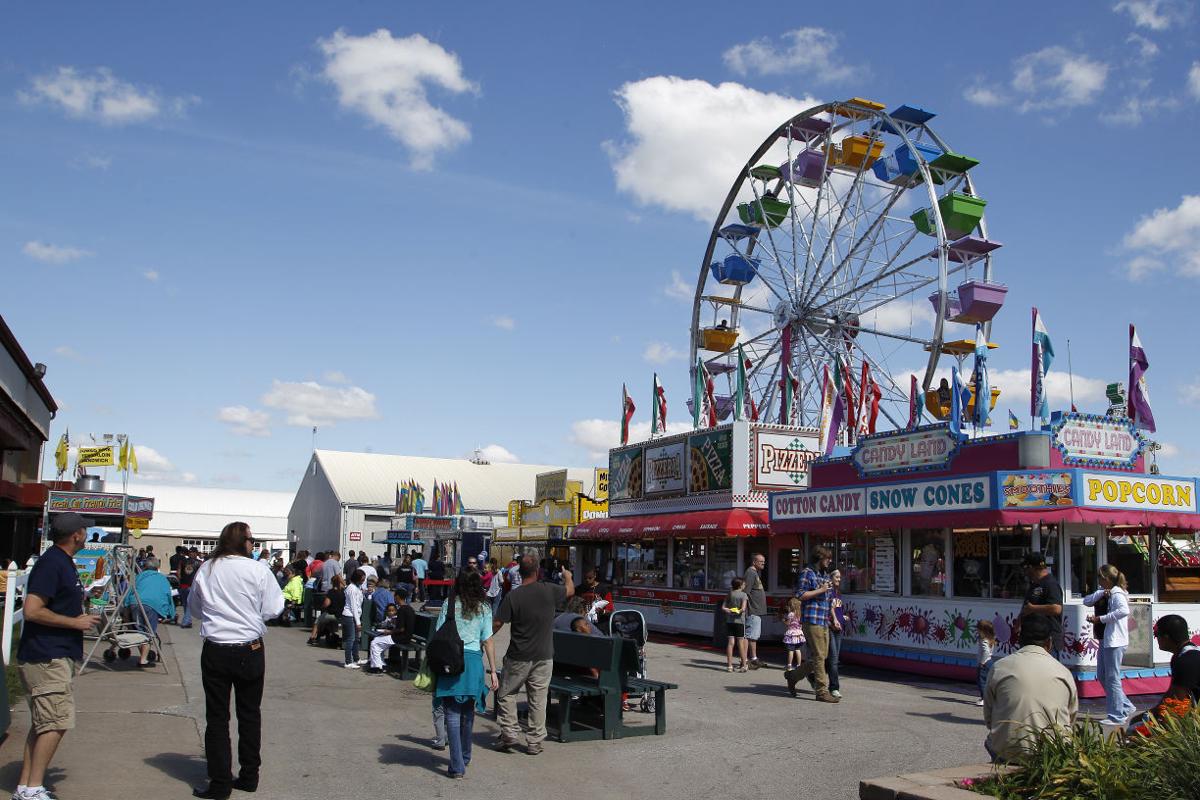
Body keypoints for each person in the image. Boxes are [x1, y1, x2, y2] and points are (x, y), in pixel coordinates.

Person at [188, 521, 285, 799]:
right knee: (249, 714)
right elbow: (274, 608)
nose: (253, 544)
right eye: (251, 540)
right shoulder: (258, 570)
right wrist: (250, 615)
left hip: (217, 648)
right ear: (243, 541)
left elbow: (195, 608)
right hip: (250, 648)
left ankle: (220, 783)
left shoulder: (207, 569)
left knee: (217, 717)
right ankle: (249, 775)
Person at [13, 513, 101, 800]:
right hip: (46, 656)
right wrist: (75, 623)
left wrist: (81, 607)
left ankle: (27, 786)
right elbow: (32, 610)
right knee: (56, 722)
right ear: (76, 534)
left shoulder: (61, 562)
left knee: (44, 723)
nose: (87, 534)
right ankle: (33, 789)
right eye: (84, 530)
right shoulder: (52, 563)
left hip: (53, 654)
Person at [493, 553, 574, 755]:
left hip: (518, 655)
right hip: (544, 655)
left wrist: (483, 638)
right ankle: (535, 741)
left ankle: (510, 731)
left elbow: (497, 623)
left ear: (519, 572)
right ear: (538, 571)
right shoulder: (550, 591)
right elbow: (570, 591)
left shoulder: (514, 596)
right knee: (538, 698)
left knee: (506, 693)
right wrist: (568, 576)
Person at [983, 614, 1077, 763]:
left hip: (1008, 751)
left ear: (1019, 640)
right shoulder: (1063, 672)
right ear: (1049, 643)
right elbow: (1070, 718)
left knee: (992, 740)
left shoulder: (999, 667)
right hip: (1052, 753)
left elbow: (989, 717)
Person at [434, 571, 500, 778]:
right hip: (473, 662)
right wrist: (493, 671)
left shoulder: (449, 603)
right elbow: (488, 640)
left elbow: (438, 632)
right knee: (468, 712)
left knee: (452, 714)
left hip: (452, 659)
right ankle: (465, 755)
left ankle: (457, 765)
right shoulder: (484, 607)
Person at [1082, 564, 1135, 723]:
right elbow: (1087, 601)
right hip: (1107, 639)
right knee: (1103, 675)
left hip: (1115, 640)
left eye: (1099, 577)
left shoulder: (1117, 594)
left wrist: (1101, 619)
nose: (1097, 580)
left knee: (1112, 678)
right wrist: (1101, 593)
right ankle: (1125, 706)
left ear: (1105, 578)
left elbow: (1124, 611)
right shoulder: (1108, 592)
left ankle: (1117, 715)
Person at [787, 546, 838, 703]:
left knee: (822, 656)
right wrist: (820, 590)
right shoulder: (807, 572)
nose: (830, 561)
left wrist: (833, 615)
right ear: (819, 558)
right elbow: (800, 594)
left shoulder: (824, 574)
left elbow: (828, 598)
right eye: (827, 558)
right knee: (819, 657)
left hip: (823, 620)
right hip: (812, 619)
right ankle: (821, 691)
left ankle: (793, 676)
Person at [1139, 614, 1200, 728]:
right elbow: (1171, 694)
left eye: (1156, 635)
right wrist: (1148, 714)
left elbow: (1176, 701)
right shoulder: (1182, 656)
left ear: (1166, 637)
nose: (1156, 639)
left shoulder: (1186, 661)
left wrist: (1146, 719)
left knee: (1136, 729)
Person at [125, 557, 175, 666]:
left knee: (139, 630)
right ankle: (143, 660)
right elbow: (168, 595)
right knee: (149, 632)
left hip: (136, 603)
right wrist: (170, 613)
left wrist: (126, 605)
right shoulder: (162, 578)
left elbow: (130, 590)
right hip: (152, 605)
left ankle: (144, 655)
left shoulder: (139, 576)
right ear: (158, 567)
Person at [1019, 551, 1064, 657]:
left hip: (1047, 640)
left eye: (1026, 568)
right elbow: (1027, 607)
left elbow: (1056, 609)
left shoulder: (1050, 584)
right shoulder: (1034, 584)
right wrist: (1019, 620)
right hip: (1031, 638)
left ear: (1031, 567)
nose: (1025, 572)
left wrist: (1033, 608)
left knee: (1048, 672)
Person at [366, 587, 417, 674]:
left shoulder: (401, 610)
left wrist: (389, 632)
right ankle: (380, 665)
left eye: (395, 596)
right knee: (377, 642)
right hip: (407, 636)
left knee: (374, 643)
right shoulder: (409, 609)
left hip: (401, 637)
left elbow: (401, 629)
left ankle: (377, 668)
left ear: (398, 597)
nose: (394, 598)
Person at [742, 553, 767, 669]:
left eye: (763, 561)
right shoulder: (751, 574)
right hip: (753, 610)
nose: (763, 563)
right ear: (754, 562)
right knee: (749, 635)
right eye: (761, 561)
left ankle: (754, 658)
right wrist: (745, 609)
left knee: (754, 636)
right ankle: (745, 660)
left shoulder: (755, 573)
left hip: (756, 610)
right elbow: (745, 592)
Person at [307, 574, 345, 647]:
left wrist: (322, 606)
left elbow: (327, 603)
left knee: (317, 621)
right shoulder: (344, 592)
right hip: (341, 615)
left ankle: (312, 638)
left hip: (331, 614)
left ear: (332, 583)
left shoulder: (331, 592)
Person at [826, 568, 846, 699]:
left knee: (833, 659)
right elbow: (830, 608)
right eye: (837, 577)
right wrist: (834, 620)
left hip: (839, 627)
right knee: (833, 659)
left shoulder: (838, 592)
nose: (839, 579)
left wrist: (842, 617)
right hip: (830, 627)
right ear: (831, 578)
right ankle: (834, 687)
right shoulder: (828, 591)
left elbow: (837, 608)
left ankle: (812, 674)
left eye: (840, 577)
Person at [723, 577, 749, 673]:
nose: (744, 585)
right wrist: (738, 611)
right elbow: (743, 608)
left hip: (730, 621)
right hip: (739, 621)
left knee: (730, 644)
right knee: (740, 643)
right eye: (744, 584)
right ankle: (744, 665)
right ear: (740, 585)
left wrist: (729, 610)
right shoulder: (744, 595)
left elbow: (723, 607)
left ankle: (729, 666)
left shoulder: (730, 594)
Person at [341, 569, 366, 669]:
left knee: (356, 639)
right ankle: (348, 661)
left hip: (354, 616)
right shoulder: (351, 588)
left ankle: (356, 658)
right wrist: (358, 622)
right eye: (362, 579)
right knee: (350, 639)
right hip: (349, 615)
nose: (363, 581)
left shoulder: (357, 587)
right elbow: (353, 606)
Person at [975, 620, 997, 707]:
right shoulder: (990, 639)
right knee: (987, 681)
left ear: (982, 631)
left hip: (985, 663)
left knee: (981, 681)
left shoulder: (984, 640)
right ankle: (988, 698)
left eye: (978, 630)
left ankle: (984, 699)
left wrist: (982, 662)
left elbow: (986, 651)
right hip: (990, 662)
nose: (977, 631)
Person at [177, 548, 200, 629]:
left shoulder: (182, 561)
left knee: (185, 604)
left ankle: (188, 620)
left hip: (183, 585)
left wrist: (180, 582)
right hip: (192, 586)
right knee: (189, 604)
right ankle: (186, 621)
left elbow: (178, 573)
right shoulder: (199, 563)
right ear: (196, 553)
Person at [782, 596, 805, 674]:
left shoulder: (791, 614)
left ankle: (789, 665)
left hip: (791, 634)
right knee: (798, 650)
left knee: (790, 650)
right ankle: (799, 665)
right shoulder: (800, 614)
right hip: (799, 634)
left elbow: (788, 623)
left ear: (791, 606)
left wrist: (784, 621)